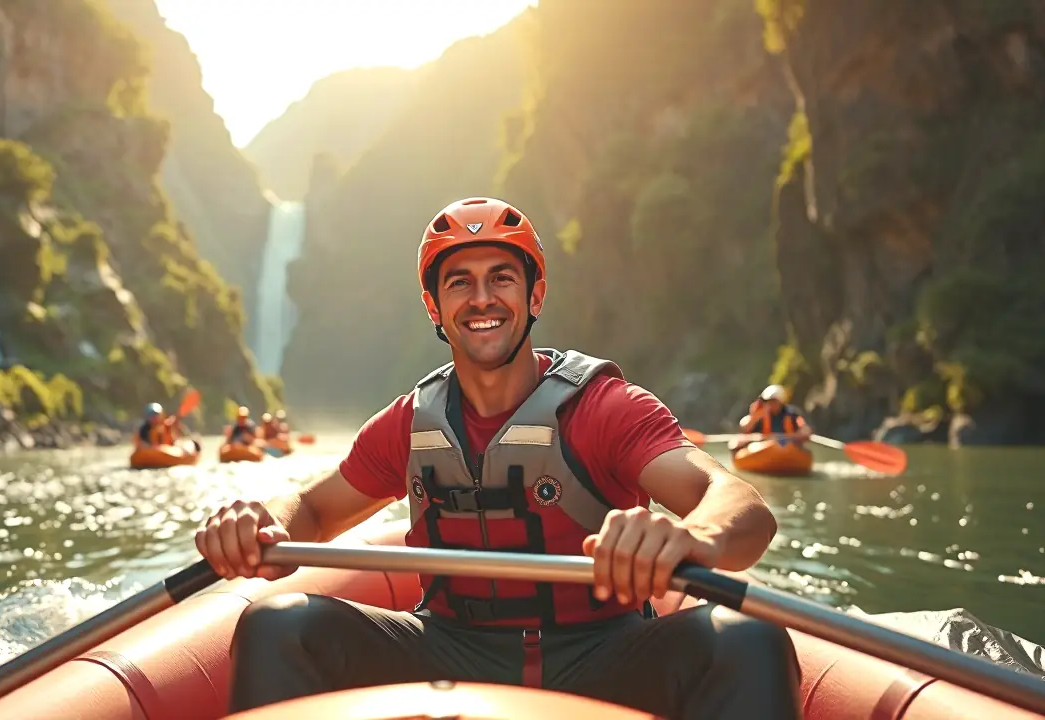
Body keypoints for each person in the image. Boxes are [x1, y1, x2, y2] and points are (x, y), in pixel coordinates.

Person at [195, 197, 801, 719]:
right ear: (436, 308)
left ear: (534, 294)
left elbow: (740, 505)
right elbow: (313, 509)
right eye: (460, 281)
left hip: (605, 653)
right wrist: (260, 518)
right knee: (279, 625)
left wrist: (692, 539)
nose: (482, 298)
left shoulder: (605, 408)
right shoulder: (410, 422)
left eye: (502, 278)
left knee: (748, 641)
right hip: (449, 647)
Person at [738, 384, 812, 445]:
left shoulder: (792, 414)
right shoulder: (759, 414)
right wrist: (755, 416)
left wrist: (784, 437)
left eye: (774, 401)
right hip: (764, 448)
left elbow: (805, 430)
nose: (770, 405)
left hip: (787, 448)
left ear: (781, 402)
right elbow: (744, 428)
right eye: (768, 402)